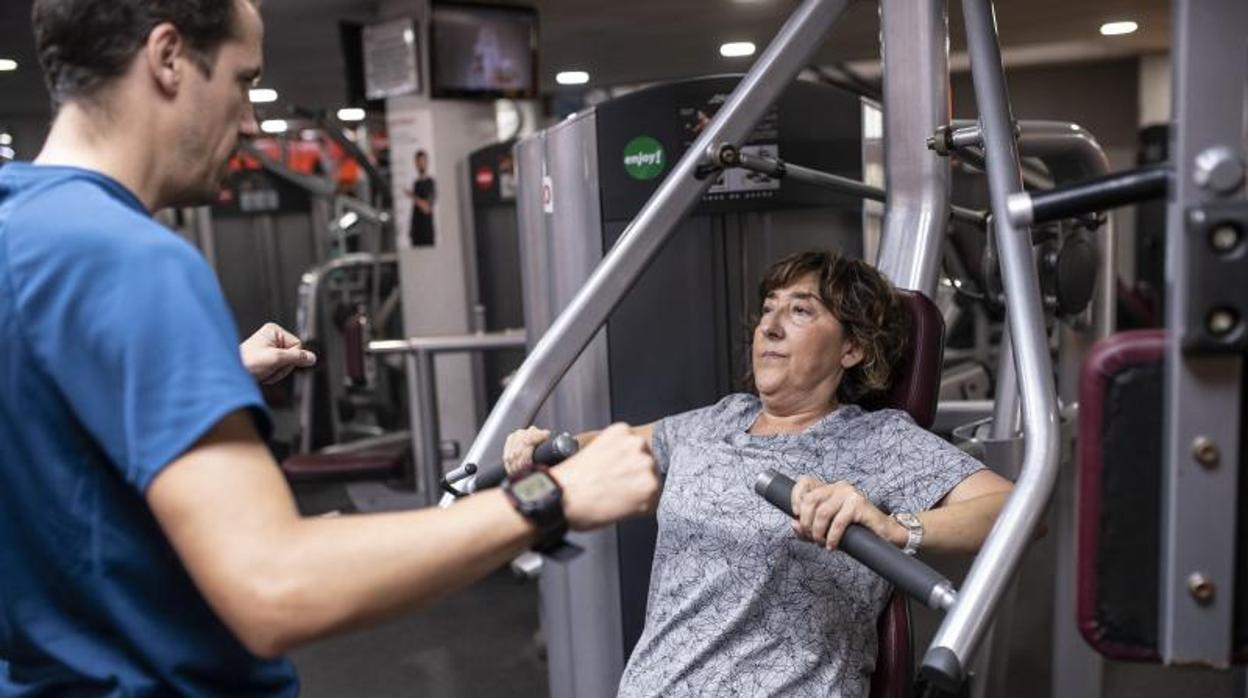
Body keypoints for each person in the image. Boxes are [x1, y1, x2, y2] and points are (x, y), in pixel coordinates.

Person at [0, 1, 660, 695]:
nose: (252, 121)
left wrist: (210, 378)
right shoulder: (131, 261)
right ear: (167, 58)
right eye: (243, 79)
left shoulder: (21, 226)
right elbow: (274, 586)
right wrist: (550, 495)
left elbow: (56, 456)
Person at [504, 250, 1014, 698]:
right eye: (768, 308)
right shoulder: (718, 419)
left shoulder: (878, 441)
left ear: (852, 348)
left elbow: (1015, 512)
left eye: (799, 310)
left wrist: (895, 528)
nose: (769, 326)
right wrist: (540, 446)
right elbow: (606, 449)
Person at [405, 149, 435, 247]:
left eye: (423, 161)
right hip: (416, 231)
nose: (420, 164)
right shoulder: (416, 183)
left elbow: (426, 208)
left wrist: (412, 196)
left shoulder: (430, 183)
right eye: (418, 161)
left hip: (426, 232)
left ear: (426, 162)